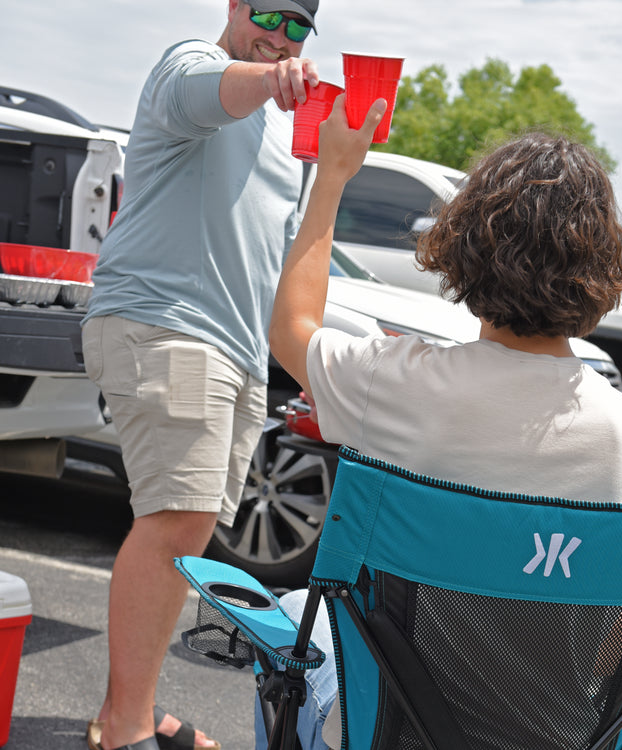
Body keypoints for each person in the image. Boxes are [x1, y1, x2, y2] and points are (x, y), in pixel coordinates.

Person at [266, 98, 622, 749]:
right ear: (599, 269)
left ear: (467, 248)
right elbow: (620, 651)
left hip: (399, 734)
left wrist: (334, 175)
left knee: (289, 625)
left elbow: (291, 330)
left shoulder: (402, 383)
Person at [80, 2, 320, 749]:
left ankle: (133, 708)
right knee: (176, 521)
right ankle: (123, 730)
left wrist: (306, 364)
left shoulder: (285, 136)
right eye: (270, 15)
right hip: (168, 325)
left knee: (184, 533)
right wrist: (272, 75)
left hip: (238, 353)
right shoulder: (191, 64)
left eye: (298, 27)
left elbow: (275, 267)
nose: (280, 35)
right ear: (236, 7)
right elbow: (209, 92)